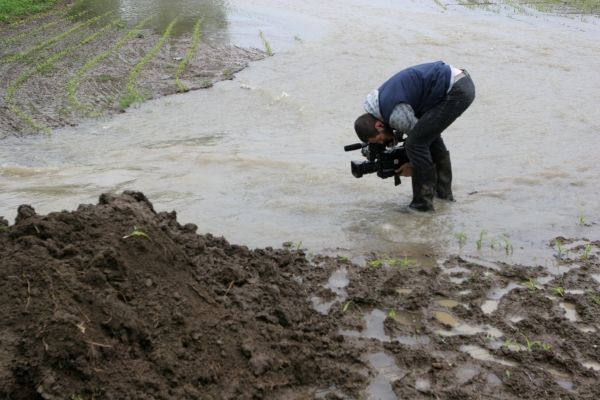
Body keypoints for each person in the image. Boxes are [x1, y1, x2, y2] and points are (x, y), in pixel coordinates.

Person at [354, 61, 475, 212]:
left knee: (415, 144)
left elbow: (417, 144)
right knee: (428, 138)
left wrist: (413, 166)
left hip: (456, 90)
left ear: (379, 125)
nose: (384, 142)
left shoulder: (395, 114)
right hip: (459, 82)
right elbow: (425, 137)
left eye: (380, 139)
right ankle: (443, 195)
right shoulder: (379, 105)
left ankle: (422, 205)